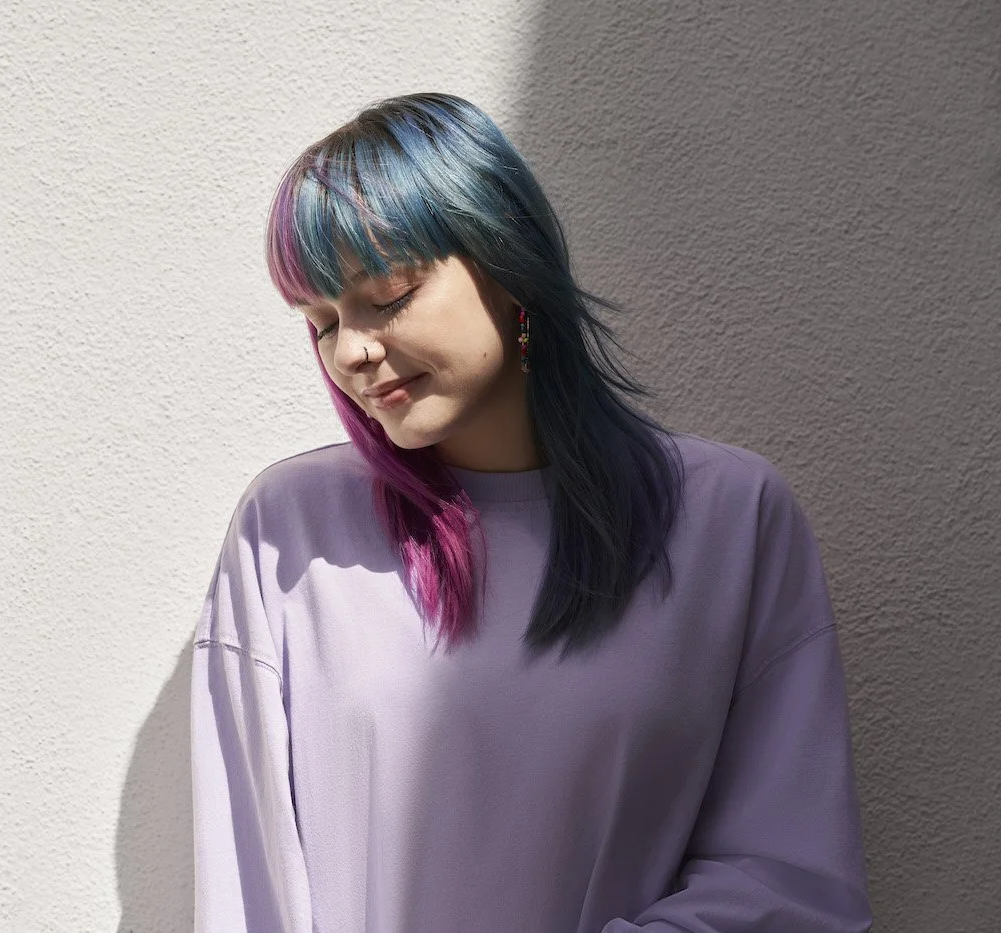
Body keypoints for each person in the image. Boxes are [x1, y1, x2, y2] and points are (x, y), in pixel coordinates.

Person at [189, 92, 873, 933]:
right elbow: (247, 892)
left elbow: (794, 878)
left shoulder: (733, 520)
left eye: (387, 293)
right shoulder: (288, 536)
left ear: (509, 264)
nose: (351, 352)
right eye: (322, 321)